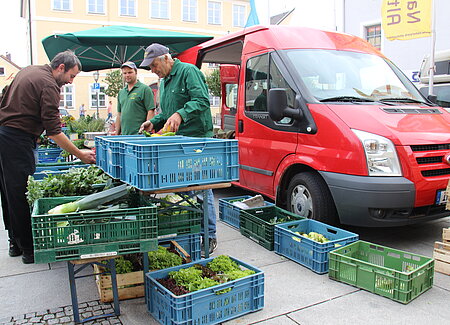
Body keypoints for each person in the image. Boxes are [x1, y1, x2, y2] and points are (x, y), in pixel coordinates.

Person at [0, 50, 96, 264]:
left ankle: (15, 243)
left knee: (8, 193)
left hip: (5, 134)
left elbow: (5, 96)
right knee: (21, 193)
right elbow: (54, 130)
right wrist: (80, 154)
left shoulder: (29, 71)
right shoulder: (49, 84)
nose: (71, 82)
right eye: (71, 76)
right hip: (17, 138)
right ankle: (29, 249)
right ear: (60, 67)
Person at [138, 43, 217, 255]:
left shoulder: (189, 71)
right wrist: (153, 122)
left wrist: (181, 114)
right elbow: (167, 114)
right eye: (151, 68)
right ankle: (191, 234)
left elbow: (201, 101)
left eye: (154, 65)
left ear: (166, 58)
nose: (153, 70)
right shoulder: (163, 83)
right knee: (186, 191)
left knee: (201, 189)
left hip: (198, 140)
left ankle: (209, 235)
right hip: (178, 143)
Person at [115, 62, 155, 135]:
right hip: (124, 136)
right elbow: (119, 114)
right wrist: (116, 135)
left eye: (130, 72)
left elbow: (151, 111)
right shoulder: (121, 92)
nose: (127, 75)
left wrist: (146, 132)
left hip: (138, 136)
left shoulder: (145, 89)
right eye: (125, 73)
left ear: (136, 72)